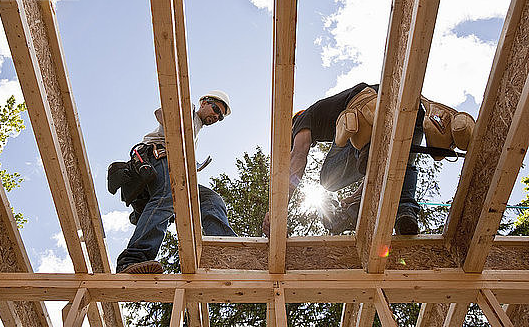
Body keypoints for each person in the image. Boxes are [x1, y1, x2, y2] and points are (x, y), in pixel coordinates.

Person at [262, 82, 424, 237]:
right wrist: (356, 197)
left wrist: (277, 209)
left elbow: (298, 155)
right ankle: (405, 211)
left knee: (328, 179)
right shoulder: (327, 114)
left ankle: (369, 149)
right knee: (402, 163)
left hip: (370, 113)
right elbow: (371, 169)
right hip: (413, 113)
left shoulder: (302, 118)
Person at [115, 90, 236, 274]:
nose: (216, 116)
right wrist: (178, 134)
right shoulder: (190, 110)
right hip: (157, 157)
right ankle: (132, 259)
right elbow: (161, 113)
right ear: (204, 102)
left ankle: (226, 250)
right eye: (215, 109)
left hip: (176, 168)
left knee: (211, 199)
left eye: (220, 117)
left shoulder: (195, 131)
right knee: (172, 194)